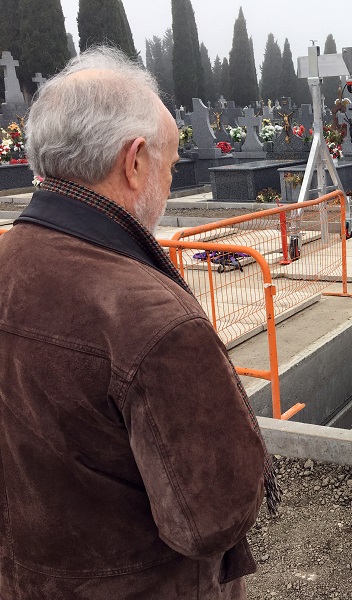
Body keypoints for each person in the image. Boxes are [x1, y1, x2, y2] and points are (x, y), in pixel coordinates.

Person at [0, 47, 279, 599]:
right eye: (171, 163)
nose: (171, 180)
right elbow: (210, 518)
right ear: (134, 161)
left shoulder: (9, 260)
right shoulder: (151, 318)